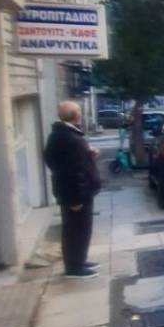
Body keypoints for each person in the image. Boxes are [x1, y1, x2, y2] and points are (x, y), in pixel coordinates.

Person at [44, 101, 102, 279]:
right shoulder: (70, 138)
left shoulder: (61, 134)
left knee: (79, 230)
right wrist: (75, 199)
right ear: (77, 115)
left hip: (73, 192)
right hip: (76, 195)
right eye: (79, 112)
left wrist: (88, 155)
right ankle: (74, 268)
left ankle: (79, 261)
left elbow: (55, 161)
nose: (81, 115)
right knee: (77, 231)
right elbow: (73, 171)